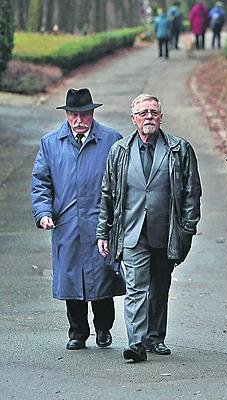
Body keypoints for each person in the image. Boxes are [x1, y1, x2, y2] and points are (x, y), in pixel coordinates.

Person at [97, 93, 202, 363]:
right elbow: (107, 194)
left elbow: (192, 192)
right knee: (136, 288)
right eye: (143, 113)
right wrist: (103, 231)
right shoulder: (119, 151)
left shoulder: (179, 149)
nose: (149, 117)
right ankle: (136, 343)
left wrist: (188, 228)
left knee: (160, 285)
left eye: (153, 112)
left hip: (166, 232)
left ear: (161, 117)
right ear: (133, 119)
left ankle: (155, 337)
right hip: (131, 232)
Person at [31, 88, 125, 351]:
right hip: (67, 224)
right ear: (67, 115)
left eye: (84, 114)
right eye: (74, 114)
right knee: (72, 280)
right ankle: (78, 332)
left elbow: (122, 181)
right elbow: (41, 182)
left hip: (100, 223)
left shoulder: (111, 140)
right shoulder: (51, 143)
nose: (79, 120)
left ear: (92, 113)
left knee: (104, 279)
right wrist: (43, 213)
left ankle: (104, 329)